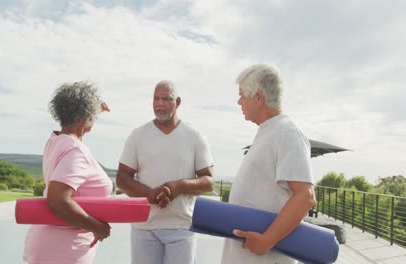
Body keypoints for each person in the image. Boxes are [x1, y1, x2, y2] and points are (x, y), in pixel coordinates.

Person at [220, 64, 316, 264]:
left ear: (258, 97)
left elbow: (305, 197)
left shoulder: (287, 133)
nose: (239, 102)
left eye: (241, 95)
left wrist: (267, 240)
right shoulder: (269, 131)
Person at [116, 80, 215, 264]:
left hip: (181, 227)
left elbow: (208, 181)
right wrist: (148, 193)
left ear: (178, 102)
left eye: (166, 99)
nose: (159, 104)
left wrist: (178, 186)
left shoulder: (194, 136)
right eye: (156, 98)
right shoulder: (138, 135)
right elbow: (122, 178)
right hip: (144, 227)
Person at [23, 81, 112, 264]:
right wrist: (99, 228)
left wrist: (92, 107)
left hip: (50, 245)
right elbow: (57, 200)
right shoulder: (75, 150)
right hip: (63, 251)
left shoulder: (55, 141)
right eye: (92, 114)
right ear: (84, 116)